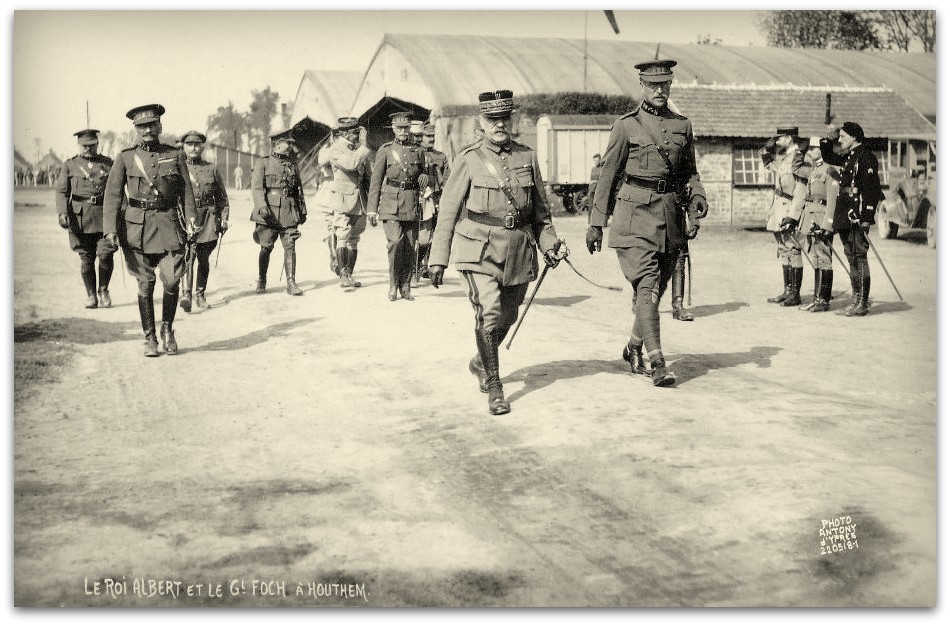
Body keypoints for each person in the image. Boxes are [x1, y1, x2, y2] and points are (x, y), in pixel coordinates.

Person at [429, 89, 561, 415]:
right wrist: (437, 258)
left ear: (511, 119)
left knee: (508, 315)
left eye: (504, 118)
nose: (499, 124)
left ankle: (480, 361)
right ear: (481, 122)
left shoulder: (527, 157)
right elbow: (447, 211)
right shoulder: (469, 158)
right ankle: (495, 386)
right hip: (478, 250)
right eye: (492, 119)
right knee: (488, 311)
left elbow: (540, 212)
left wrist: (550, 245)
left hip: (517, 250)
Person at [586, 59, 707, 387]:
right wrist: (596, 223)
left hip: (669, 218)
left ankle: (634, 346)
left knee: (655, 289)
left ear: (670, 85)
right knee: (649, 287)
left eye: (665, 84)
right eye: (653, 85)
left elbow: (688, 172)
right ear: (641, 86)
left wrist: (697, 199)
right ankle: (658, 363)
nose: (659, 90)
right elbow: (608, 175)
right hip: (634, 218)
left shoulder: (683, 125)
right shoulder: (626, 125)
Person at [103, 104, 197, 357]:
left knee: (171, 280)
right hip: (137, 230)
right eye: (141, 126)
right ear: (135, 129)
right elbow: (112, 196)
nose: (147, 130)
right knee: (145, 285)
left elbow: (187, 191)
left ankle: (167, 328)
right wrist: (110, 229)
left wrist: (190, 218)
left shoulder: (175, 154)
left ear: (160, 127)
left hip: (169, 226)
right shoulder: (125, 157)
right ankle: (150, 338)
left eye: (151, 125)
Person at [820, 122, 885, 317]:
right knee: (850, 256)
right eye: (839, 137)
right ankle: (855, 300)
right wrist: (829, 136)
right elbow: (828, 156)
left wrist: (867, 216)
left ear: (855, 137)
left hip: (856, 213)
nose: (840, 141)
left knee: (860, 256)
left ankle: (862, 303)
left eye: (843, 137)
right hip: (844, 212)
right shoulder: (848, 157)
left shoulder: (866, 157)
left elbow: (873, 190)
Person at [367, 111, 427, 301]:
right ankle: (393, 284)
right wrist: (371, 209)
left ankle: (406, 285)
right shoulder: (385, 150)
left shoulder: (418, 150)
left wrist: (426, 177)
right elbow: (375, 182)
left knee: (409, 246)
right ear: (393, 128)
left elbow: (423, 174)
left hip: (411, 202)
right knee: (395, 243)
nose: (403, 131)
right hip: (390, 204)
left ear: (410, 128)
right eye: (399, 128)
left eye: (406, 127)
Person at [54, 128, 116, 309]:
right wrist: (62, 212)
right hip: (80, 219)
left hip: (104, 217)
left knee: (105, 255)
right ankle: (91, 295)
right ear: (78, 145)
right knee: (86, 259)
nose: (88, 149)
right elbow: (62, 191)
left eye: (91, 145)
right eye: (84, 146)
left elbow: (115, 191)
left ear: (97, 144)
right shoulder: (70, 165)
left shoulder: (108, 163)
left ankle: (103, 290)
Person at [316, 117, 372, 289]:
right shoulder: (335, 150)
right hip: (342, 199)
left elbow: (367, 175)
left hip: (359, 201)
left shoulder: (357, 149)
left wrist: (371, 203)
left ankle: (350, 275)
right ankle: (342, 275)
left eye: (358, 133)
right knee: (342, 236)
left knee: (354, 239)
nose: (358, 136)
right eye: (355, 133)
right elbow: (352, 163)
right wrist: (363, 144)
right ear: (345, 133)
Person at [250, 129, 308, 296]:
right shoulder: (263, 163)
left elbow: (298, 190)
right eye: (287, 143)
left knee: (290, 245)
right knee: (266, 247)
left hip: (289, 210)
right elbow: (257, 188)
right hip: (269, 211)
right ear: (276, 144)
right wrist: (261, 206)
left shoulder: (292, 164)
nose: (290, 146)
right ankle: (262, 279)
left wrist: (302, 210)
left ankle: (291, 283)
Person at [179, 131, 230, 310]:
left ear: (203, 147)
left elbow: (222, 197)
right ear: (183, 147)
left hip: (208, 217)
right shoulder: (179, 167)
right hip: (186, 216)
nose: (193, 148)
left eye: (197, 144)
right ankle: (186, 294)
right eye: (189, 144)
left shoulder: (211, 168)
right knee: (189, 255)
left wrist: (224, 218)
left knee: (203, 257)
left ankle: (200, 295)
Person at [761, 127, 810, 306]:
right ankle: (787, 291)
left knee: (793, 250)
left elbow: (801, 190)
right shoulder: (784, 158)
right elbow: (768, 165)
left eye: (779, 137)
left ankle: (795, 294)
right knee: (783, 249)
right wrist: (766, 150)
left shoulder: (800, 159)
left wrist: (793, 216)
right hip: (778, 210)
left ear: (789, 138)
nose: (776, 140)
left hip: (789, 210)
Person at [793, 136, 840, 313]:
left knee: (824, 259)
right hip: (811, 218)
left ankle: (824, 300)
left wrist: (828, 225)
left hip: (821, 219)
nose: (809, 152)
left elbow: (832, 201)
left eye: (812, 149)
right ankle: (817, 299)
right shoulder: (814, 170)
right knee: (816, 258)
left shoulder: (830, 170)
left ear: (821, 150)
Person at [415, 122, 450, 285]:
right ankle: (415, 265)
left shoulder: (441, 156)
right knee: (424, 237)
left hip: (438, 198)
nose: (431, 139)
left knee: (436, 235)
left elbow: (447, 176)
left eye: (433, 137)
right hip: (423, 199)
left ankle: (427, 266)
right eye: (428, 136)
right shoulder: (417, 154)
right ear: (421, 138)